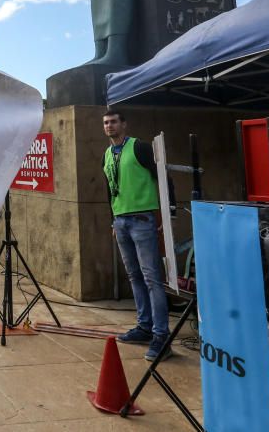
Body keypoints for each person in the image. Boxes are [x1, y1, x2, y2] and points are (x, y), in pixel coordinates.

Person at [102, 107, 172, 361]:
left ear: (124, 125)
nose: (109, 126)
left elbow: (162, 178)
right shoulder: (107, 154)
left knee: (152, 277)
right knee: (134, 276)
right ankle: (144, 326)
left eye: (113, 122)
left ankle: (161, 335)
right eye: (106, 123)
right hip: (121, 221)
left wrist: (167, 212)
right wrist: (113, 221)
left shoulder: (139, 148)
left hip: (142, 219)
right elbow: (109, 189)